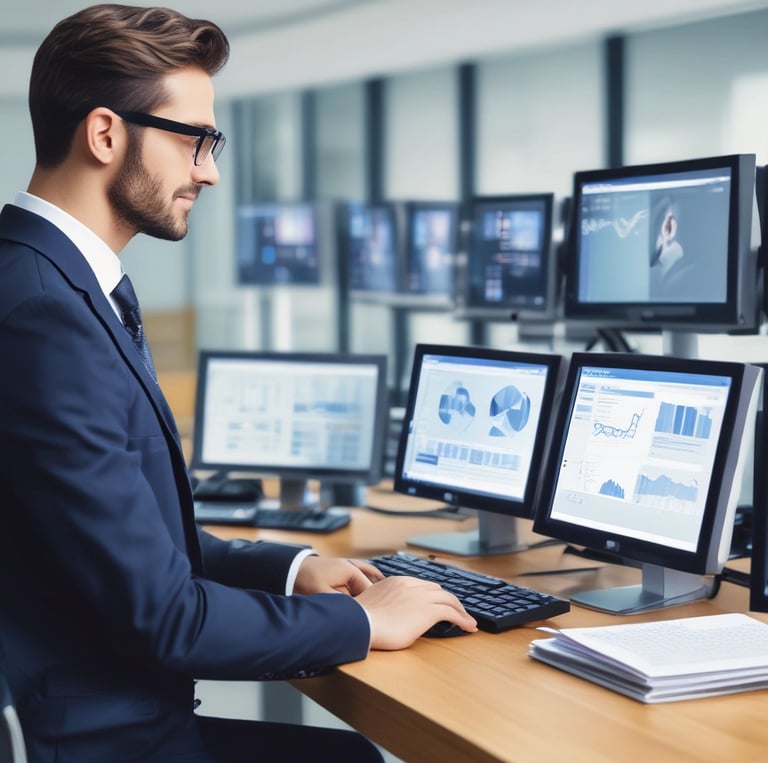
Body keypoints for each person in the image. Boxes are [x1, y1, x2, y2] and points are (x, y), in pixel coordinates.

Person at [0, 5, 477, 762]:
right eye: (195, 140)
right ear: (103, 134)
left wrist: (293, 567)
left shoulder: (51, 283)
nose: (209, 170)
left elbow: (132, 544)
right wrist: (364, 621)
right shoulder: (42, 312)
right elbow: (165, 617)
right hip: (94, 737)